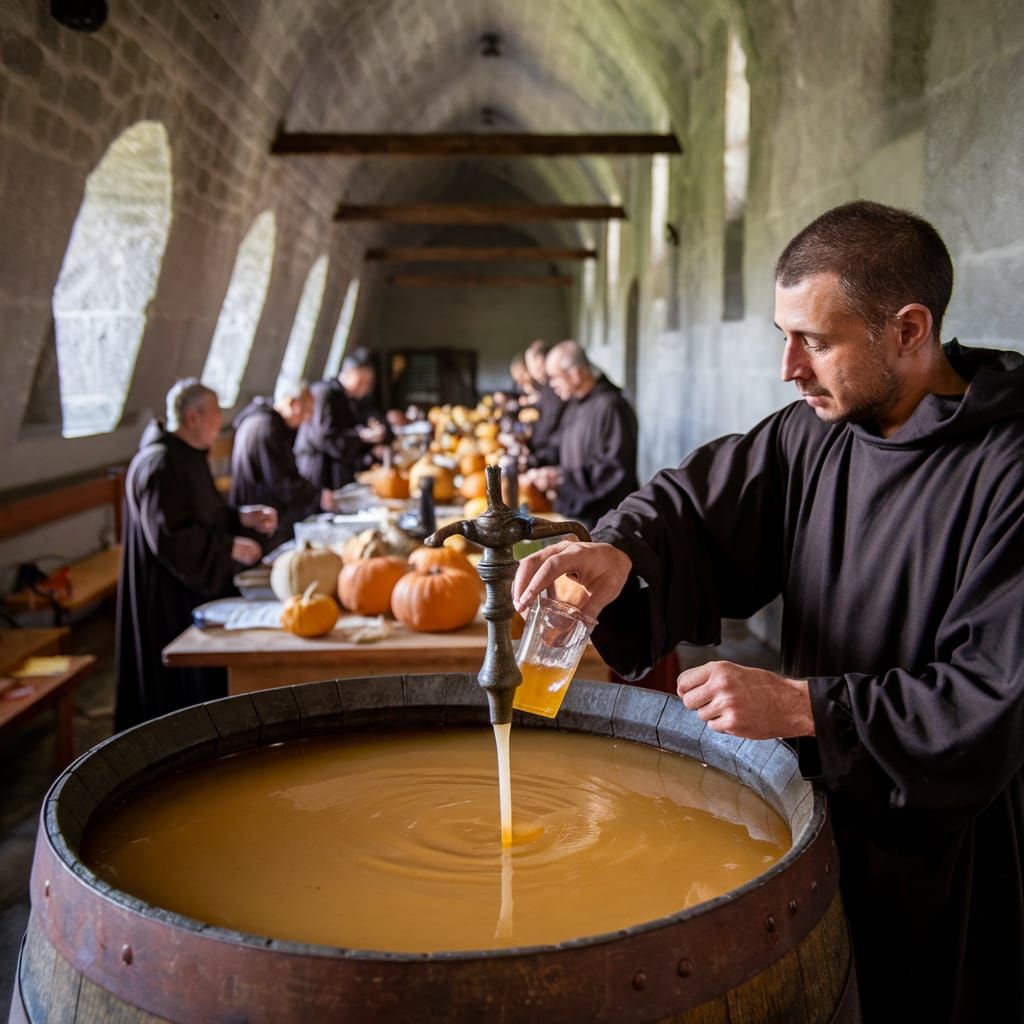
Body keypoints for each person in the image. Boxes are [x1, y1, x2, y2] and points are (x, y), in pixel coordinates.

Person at [513, 200, 1024, 1023]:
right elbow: (691, 506)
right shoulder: (816, 432)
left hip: (947, 851)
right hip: (817, 814)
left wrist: (798, 705)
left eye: (816, 342)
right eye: (783, 337)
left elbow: (989, 701)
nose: (789, 367)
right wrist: (617, 552)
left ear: (909, 329)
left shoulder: (1008, 469)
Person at [115, 379, 276, 732]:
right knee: (177, 697)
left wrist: (239, 518)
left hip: (190, 584)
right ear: (192, 417)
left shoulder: (187, 454)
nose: (221, 421)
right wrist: (228, 546)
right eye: (216, 412)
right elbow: (172, 537)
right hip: (167, 594)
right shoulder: (160, 465)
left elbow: (205, 513)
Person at [522, 340, 639, 529]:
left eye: (554, 377)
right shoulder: (575, 403)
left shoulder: (612, 407)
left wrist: (561, 478)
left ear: (576, 373)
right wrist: (534, 465)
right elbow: (559, 444)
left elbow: (615, 473)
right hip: (576, 513)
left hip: (604, 522)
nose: (551, 385)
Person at [229, 380, 334, 552]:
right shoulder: (266, 427)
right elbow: (281, 481)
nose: (308, 418)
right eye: (307, 411)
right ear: (293, 404)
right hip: (259, 516)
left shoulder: (266, 421)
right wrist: (317, 496)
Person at [294, 348, 388, 490]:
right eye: (361, 382)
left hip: (336, 469)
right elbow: (325, 437)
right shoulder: (325, 393)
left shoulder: (350, 399)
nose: (364, 388)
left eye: (368, 384)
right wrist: (362, 436)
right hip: (318, 469)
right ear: (348, 374)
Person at [523, 338, 565, 464]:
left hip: (553, 458)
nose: (530, 370)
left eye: (530, 364)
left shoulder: (557, 389)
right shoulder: (544, 387)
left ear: (540, 360)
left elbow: (551, 425)